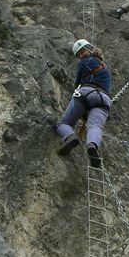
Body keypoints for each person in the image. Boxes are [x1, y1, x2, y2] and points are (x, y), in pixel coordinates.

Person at [55, 39, 111, 168]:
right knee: (95, 126)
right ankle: (92, 145)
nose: (80, 56)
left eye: (80, 53)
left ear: (85, 50)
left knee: (62, 124)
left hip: (85, 93)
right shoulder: (106, 66)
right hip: (103, 99)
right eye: (78, 55)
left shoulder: (84, 62)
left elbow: (77, 84)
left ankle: (70, 136)